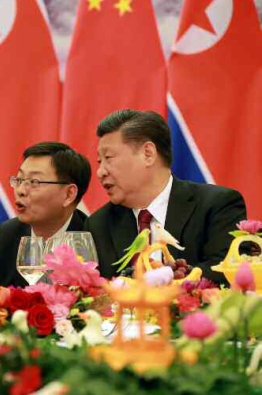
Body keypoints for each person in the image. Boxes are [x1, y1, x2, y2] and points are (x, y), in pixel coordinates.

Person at [86, 109, 246, 283]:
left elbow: (226, 272)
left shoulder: (217, 206)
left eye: (109, 158)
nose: (100, 172)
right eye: (99, 162)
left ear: (148, 154)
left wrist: (162, 283)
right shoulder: (98, 224)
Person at [0, 142, 92, 287]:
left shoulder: (94, 240)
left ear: (69, 194)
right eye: (19, 180)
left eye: (34, 182)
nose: (21, 190)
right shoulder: (8, 234)